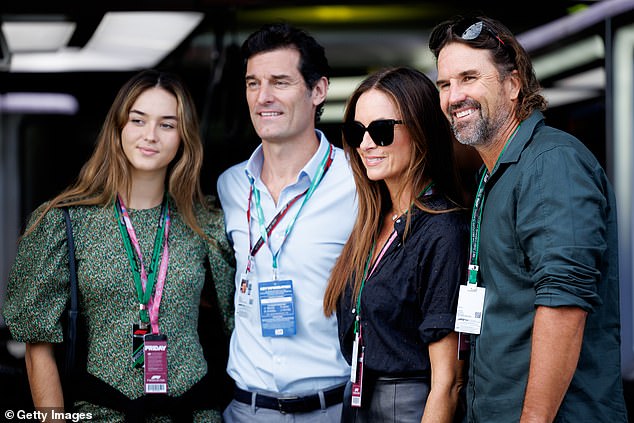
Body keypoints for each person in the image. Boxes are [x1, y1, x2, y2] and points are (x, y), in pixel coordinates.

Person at [2, 69, 235, 422]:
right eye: (138, 120)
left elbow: (239, 320)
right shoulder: (64, 222)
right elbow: (38, 348)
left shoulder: (206, 223)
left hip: (194, 412)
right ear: (118, 128)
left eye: (167, 125)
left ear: (184, 138)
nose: (150, 136)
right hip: (104, 412)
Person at [429, 15, 629, 423]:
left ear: (513, 83)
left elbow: (564, 304)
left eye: (469, 78)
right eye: (445, 85)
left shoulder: (552, 163)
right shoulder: (495, 172)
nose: (454, 96)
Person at [216, 22, 357, 422]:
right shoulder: (229, 186)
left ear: (318, 90)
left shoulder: (358, 183)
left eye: (279, 82)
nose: (263, 97)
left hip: (330, 409)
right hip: (246, 409)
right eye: (252, 83)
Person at [323, 66, 468, 423]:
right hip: (358, 401)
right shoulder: (375, 222)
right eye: (357, 132)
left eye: (382, 131)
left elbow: (448, 382)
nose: (366, 144)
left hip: (410, 409)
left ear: (421, 132)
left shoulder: (442, 230)